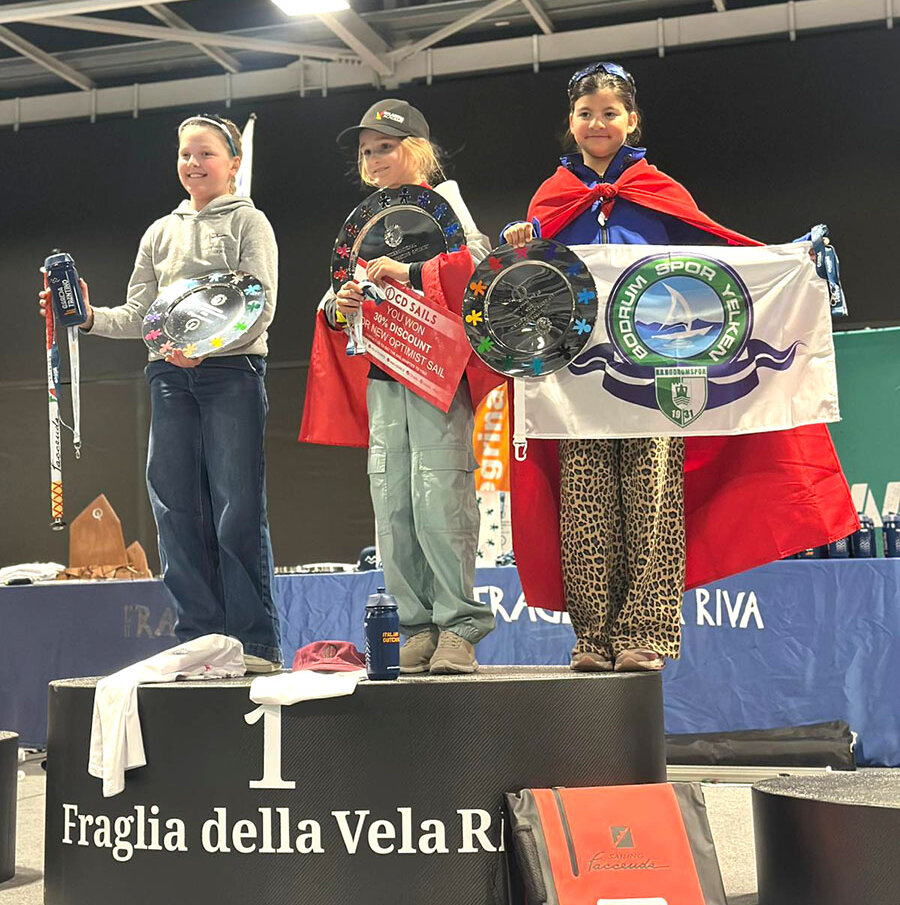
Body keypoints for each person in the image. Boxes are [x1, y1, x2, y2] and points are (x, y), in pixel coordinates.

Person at [502, 62, 857, 673]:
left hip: (657, 373)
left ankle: (646, 633)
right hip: (578, 379)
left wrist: (789, 259)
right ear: (571, 122)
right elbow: (529, 285)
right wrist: (521, 242)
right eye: (585, 114)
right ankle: (593, 638)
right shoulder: (548, 200)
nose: (597, 123)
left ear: (632, 120)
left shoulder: (659, 191)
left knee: (654, 499)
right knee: (585, 504)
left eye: (610, 112)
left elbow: (718, 256)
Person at [40, 113, 282, 673]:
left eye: (206, 154)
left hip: (233, 373)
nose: (193, 163)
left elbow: (260, 305)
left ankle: (255, 644)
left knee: (237, 509)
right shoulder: (159, 233)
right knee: (174, 509)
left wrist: (208, 347)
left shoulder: (250, 223)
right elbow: (139, 315)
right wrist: (86, 316)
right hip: (169, 378)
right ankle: (200, 638)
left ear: (234, 163)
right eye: (185, 154)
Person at [300, 99, 500, 674]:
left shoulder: (447, 204)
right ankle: (415, 627)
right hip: (384, 377)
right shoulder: (363, 222)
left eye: (385, 147)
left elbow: (479, 266)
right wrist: (338, 307)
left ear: (416, 149)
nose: (373, 158)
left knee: (440, 499)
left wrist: (410, 272)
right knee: (393, 505)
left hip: (436, 377)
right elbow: (338, 292)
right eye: (366, 151)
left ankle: (459, 627)